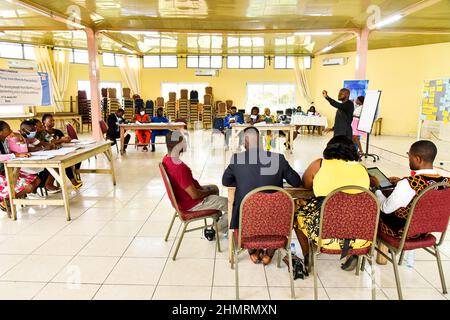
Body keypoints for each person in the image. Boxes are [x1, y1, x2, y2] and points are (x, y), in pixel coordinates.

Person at [222, 127, 301, 265]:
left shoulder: (237, 159)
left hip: (247, 222)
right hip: (275, 222)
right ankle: (269, 252)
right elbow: (296, 182)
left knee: (247, 210)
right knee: (273, 212)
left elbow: (226, 181)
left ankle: (253, 251)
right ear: (261, 142)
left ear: (244, 143)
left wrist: (242, 180)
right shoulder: (279, 159)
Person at [294, 136, 370, 271]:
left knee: (297, 209)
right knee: (352, 209)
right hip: (360, 232)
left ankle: (307, 254)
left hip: (323, 230)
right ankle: (353, 251)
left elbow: (305, 185)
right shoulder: (362, 169)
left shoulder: (319, 164)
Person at [373, 140, 449, 239]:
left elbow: (385, 208)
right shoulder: (446, 182)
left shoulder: (409, 184)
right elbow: (427, 188)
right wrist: (400, 183)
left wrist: (377, 188)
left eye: (409, 156)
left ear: (418, 159)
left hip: (402, 232)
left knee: (372, 208)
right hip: (426, 231)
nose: (408, 159)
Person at [162, 130, 228, 232]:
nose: (186, 143)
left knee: (214, 188)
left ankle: (216, 218)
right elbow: (195, 195)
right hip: (192, 203)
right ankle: (216, 229)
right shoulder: (179, 168)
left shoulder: (166, 159)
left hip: (182, 198)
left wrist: (210, 191)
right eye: (184, 141)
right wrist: (208, 193)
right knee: (232, 205)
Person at [0, 121, 44, 211]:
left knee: (37, 180)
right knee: (29, 186)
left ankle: (7, 200)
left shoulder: (6, 140)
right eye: (8, 129)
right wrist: (16, 155)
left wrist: (21, 140)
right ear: (0, 132)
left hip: (9, 170)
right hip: (2, 174)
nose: (11, 130)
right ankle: (6, 200)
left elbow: (23, 152)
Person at [41, 113, 82, 190]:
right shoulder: (43, 133)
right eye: (50, 121)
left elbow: (62, 139)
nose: (53, 122)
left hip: (61, 150)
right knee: (65, 161)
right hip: (50, 154)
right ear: (44, 122)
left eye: (53, 120)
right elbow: (51, 142)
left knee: (77, 158)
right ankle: (73, 181)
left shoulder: (57, 131)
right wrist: (61, 140)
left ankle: (75, 176)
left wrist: (66, 139)